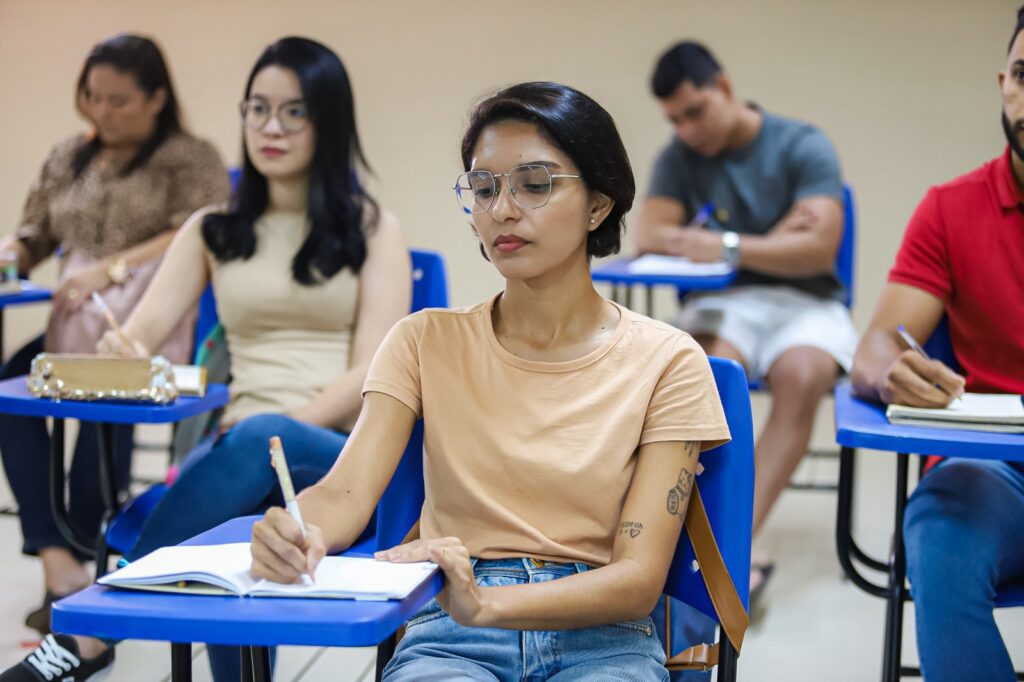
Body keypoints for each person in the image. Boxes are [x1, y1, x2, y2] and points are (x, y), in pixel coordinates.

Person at [250, 81, 731, 681]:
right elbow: (345, 494)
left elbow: (637, 581)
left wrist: (489, 603)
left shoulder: (667, 360)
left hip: (604, 639)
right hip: (450, 637)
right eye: (483, 187)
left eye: (535, 184)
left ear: (599, 205)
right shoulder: (423, 341)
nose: (502, 209)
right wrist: (296, 531)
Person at [1, 36, 409, 682]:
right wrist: (122, 350)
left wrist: (271, 428)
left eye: (293, 112)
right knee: (233, 519)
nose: (269, 127)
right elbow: (138, 335)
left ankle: (90, 629)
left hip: (337, 454)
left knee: (250, 440)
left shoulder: (373, 229)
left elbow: (374, 373)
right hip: (238, 457)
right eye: (256, 109)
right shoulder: (212, 229)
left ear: (328, 120)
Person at [0, 32, 227, 638]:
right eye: (92, 97)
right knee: (10, 390)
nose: (102, 111)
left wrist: (115, 265)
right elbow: (35, 232)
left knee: (106, 400)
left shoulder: (188, 157)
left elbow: (204, 230)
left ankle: (91, 561)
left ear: (157, 98)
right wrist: (14, 252)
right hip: (73, 325)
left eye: (119, 100)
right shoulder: (69, 155)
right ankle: (56, 554)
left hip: (147, 323)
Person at [634, 41, 857, 601]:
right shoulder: (678, 157)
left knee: (804, 375)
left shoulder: (802, 144)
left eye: (695, 111)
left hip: (806, 303)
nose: (687, 129)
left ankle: (729, 541)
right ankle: (692, 532)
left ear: (726, 88)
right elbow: (650, 235)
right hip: (723, 303)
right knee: (705, 376)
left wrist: (723, 246)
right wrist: (776, 238)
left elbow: (819, 249)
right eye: (674, 119)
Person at [848, 9, 1024, 681]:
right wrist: (893, 374)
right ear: (1003, 82)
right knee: (941, 528)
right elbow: (872, 350)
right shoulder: (952, 210)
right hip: (992, 474)